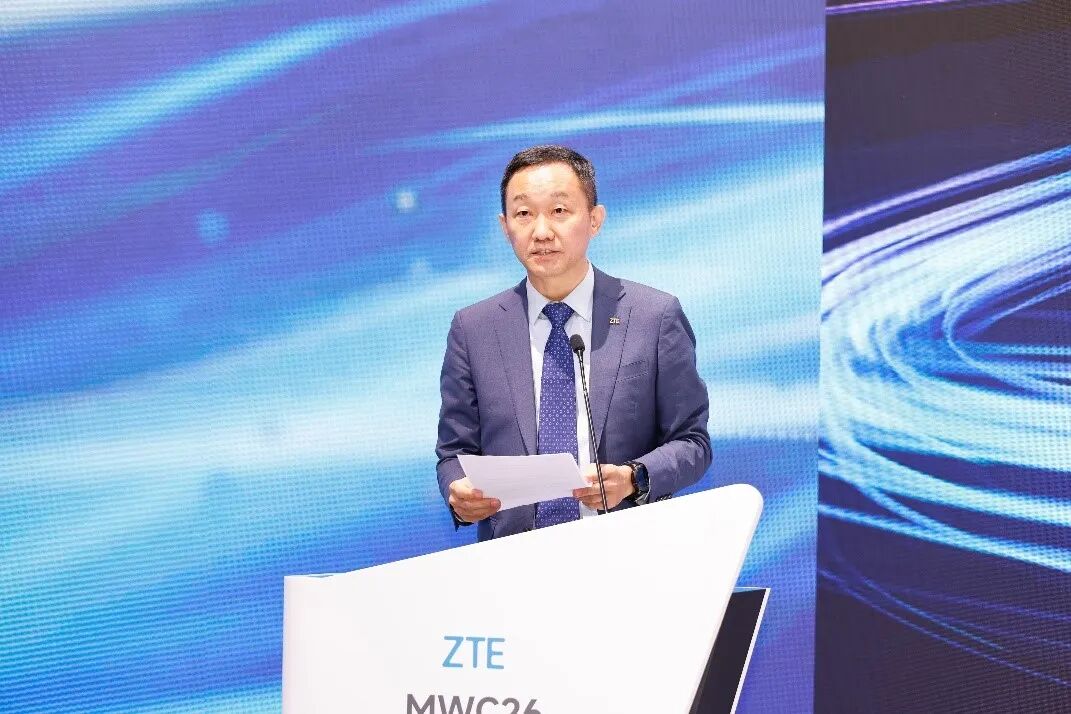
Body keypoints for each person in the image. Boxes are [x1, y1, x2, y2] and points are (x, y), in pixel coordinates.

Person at [435, 145, 711, 541]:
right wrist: (458, 492)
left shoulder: (653, 316)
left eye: (559, 210)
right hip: (513, 561)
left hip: (628, 553)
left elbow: (693, 442)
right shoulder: (474, 329)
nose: (541, 232)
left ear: (595, 220)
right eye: (523, 214)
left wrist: (634, 477)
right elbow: (454, 453)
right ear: (505, 226)